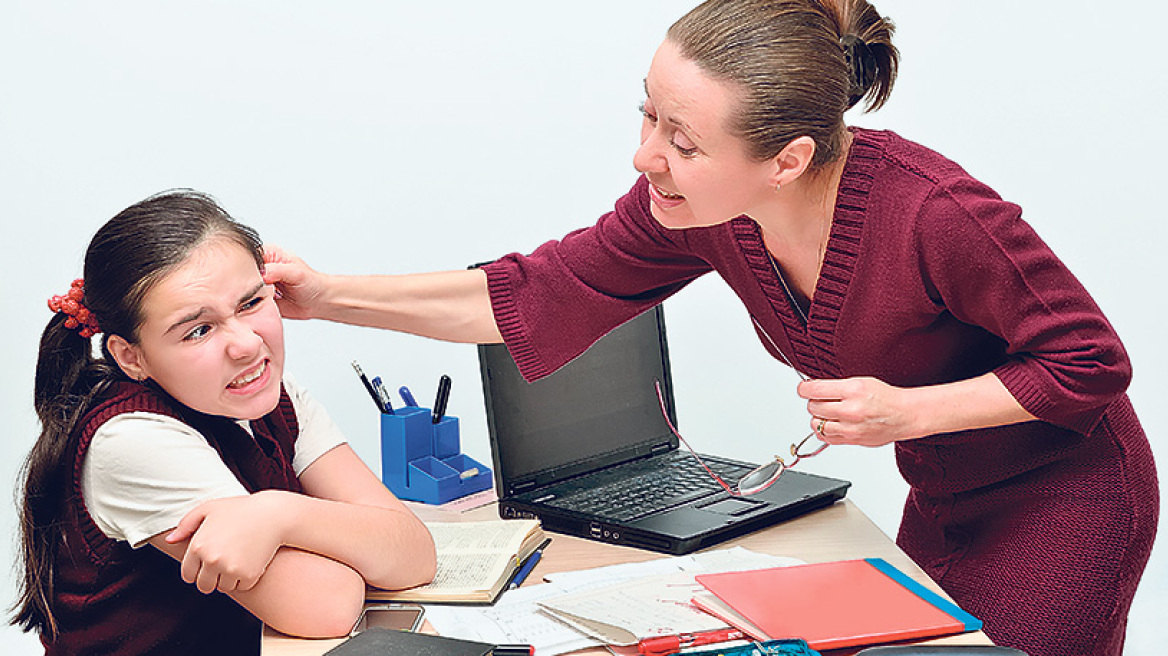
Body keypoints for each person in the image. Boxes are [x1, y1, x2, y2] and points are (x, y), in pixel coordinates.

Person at [262, 1, 1158, 654]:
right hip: (944, 493)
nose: (646, 154)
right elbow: (535, 294)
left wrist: (909, 413)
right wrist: (327, 295)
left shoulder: (934, 213)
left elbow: (1091, 361)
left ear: (787, 161)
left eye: (683, 141)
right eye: (648, 113)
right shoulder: (700, 211)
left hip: (1068, 494)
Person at [12, 191, 437, 656]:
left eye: (251, 302)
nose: (246, 345)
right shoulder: (129, 438)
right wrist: (342, 537)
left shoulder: (268, 393)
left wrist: (278, 514)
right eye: (199, 330)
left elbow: (413, 553)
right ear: (130, 357)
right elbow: (328, 603)